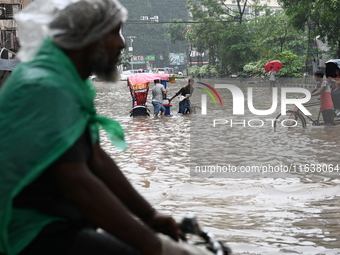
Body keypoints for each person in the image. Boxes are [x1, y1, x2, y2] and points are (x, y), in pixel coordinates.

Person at [0, 1, 214, 255]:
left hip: (61, 218)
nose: (122, 43)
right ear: (85, 39)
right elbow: (78, 184)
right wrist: (155, 245)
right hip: (32, 230)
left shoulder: (68, 82)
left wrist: (150, 216)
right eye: (113, 33)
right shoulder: (47, 86)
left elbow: (98, 159)